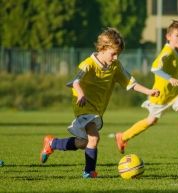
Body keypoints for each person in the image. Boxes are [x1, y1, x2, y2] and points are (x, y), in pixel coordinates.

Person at [39, 28, 159, 179]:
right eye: (113, 53)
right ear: (103, 48)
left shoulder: (115, 66)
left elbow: (130, 82)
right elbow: (76, 81)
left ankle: (52, 143)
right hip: (83, 105)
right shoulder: (88, 64)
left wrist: (148, 91)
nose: (116, 57)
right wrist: (81, 93)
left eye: (118, 54)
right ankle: (89, 172)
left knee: (83, 142)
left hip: (98, 109)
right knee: (94, 138)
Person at [115, 20, 178, 157]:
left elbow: (168, 69)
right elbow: (155, 68)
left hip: (174, 94)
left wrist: (175, 73)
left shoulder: (175, 51)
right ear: (168, 37)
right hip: (160, 94)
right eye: (177, 35)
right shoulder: (167, 51)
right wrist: (170, 78)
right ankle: (123, 136)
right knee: (151, 121)